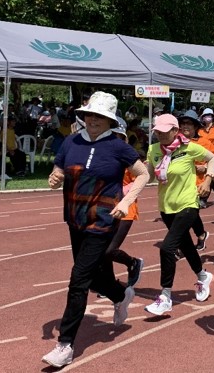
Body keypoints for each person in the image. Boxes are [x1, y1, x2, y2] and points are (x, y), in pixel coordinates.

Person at [42, 92, 149, 369]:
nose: (93, 120)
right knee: (88, 278)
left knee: (78, 280)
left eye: (100, 117)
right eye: (90, 115)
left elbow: (143, 174)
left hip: (102, 219)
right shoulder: (71, 141)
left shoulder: (118, 146)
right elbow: (59, 167)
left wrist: (126, 201)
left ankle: (65, 345)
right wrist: (55, 176)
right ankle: (120, 294)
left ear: (109, 120)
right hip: (75, 217)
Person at [144, 113, 214, 316]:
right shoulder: (153, 150)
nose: (159, 134)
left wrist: (207, 180)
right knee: (186, 245)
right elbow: (148, 176)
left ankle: (165, 296)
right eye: (157, 131)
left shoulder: (189, 148)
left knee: (167, 248)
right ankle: (203, 276)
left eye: (164, 131)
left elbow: (212, 159)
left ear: (175, 131)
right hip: (167, 208)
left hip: (188, 204)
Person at [106, 117, 144, 289]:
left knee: (109, 249)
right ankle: (109, 283)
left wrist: (122, 193)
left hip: (125, 207)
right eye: (110, 135)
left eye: (117, 136)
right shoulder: (101, 153)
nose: (113, 139)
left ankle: (132, 263)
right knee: (100, 248)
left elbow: (140, 179)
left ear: (124, 138)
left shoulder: (129, 156)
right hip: (104, 206)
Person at [176, 109, 211, 252]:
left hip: (196, 184)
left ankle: (179, 246)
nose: (185, 126)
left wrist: (206, 168)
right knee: (186, 214)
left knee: (188, 213)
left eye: (189, 124)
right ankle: (201, 234)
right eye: (183, 123)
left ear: (196, 126)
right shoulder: (175, 142)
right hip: (178, 183)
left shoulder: (204, 142)